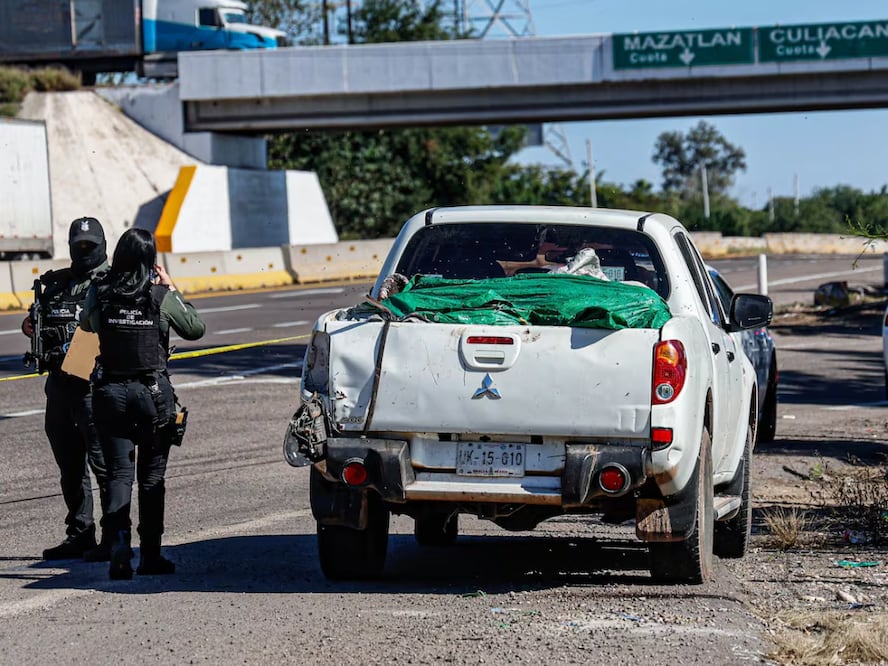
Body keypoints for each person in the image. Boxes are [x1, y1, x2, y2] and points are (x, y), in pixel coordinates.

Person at [80, 228, 205, 580]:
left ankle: (120, 545)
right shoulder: (159, 296)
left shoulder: (100, 291)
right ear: (150, 261)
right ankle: (151, 555)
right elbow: (195, 328)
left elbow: (87, 324)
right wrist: (172, 287)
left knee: (119, 474)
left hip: (110, 393)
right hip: (151, 395)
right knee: (151, 477)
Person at [21, 217, 112, 562]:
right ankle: (80, 533)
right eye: (79, 245)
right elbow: (40, 321)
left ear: (102, 245)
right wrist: (32, 326)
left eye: (91, 245)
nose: (84, 251)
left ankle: (113, 536)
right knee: (69, 466)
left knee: (104, 465)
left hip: (94, 386)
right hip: (59, 386)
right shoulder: (57, 283)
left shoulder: (113, 282)